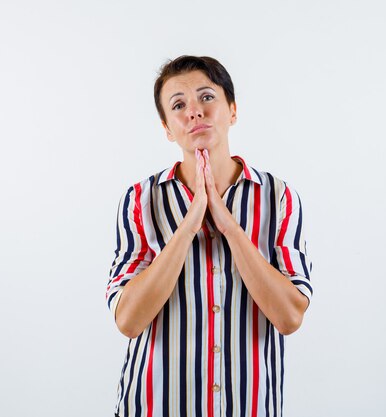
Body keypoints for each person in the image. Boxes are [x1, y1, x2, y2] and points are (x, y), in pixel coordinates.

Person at [105, 55, 313, 417]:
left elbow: (290, 317)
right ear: (168, 128)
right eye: (179, 105)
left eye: (207, 97)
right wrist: (188, 226)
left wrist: (230, 226)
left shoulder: (277, 197)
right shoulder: (141, 201)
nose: (195, 112)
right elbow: (128, 320)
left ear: (232, 110)